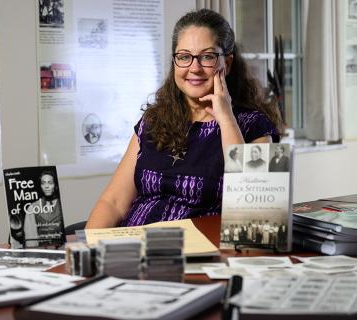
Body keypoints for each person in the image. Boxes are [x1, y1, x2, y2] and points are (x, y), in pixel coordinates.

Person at [86, 9, 283, 228]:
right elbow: (112, 203)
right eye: (184, 57)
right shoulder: (153, 120)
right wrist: (84, 251)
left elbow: (260, 215)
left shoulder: (253, 125)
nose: (194, 68)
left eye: (207, 56)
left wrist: (226, 118)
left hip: (200, 254)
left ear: (226, 64)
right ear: (175, 62)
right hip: (133, 248)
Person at [24, 171, 63, 247]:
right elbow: (30, 241)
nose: (46, 186)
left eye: (50, 183)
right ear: (40, 186)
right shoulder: (32, 208)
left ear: (55, 185)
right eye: (43, 183)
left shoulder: (62, 205)